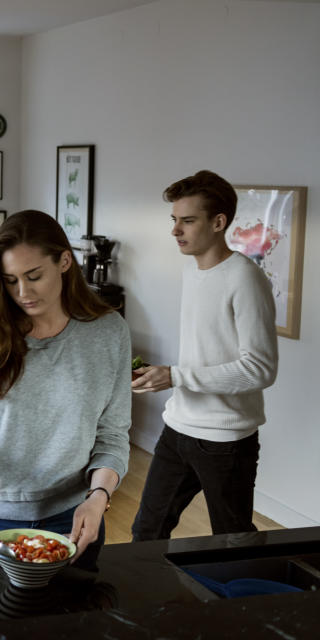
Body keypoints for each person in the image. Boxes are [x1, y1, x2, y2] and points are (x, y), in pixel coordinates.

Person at [0, 210, 131, 561]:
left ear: (65, 261)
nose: (23, 292)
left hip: (75, 516)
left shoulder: (109, 333)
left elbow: (112, 435)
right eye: (10, 280)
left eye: (34, 276)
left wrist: (99, 497)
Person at [131, 170, 278, 540]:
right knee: (146, 531)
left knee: (233, 540)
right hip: (178, 427)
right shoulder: (193, 270)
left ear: (218, 222)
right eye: (174, 220)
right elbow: (206, 353)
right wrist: (163, 375)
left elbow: (260, 369)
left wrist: (176, 376)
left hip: (225, 442)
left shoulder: (245, 278)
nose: (175, 230)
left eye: (188, 221)